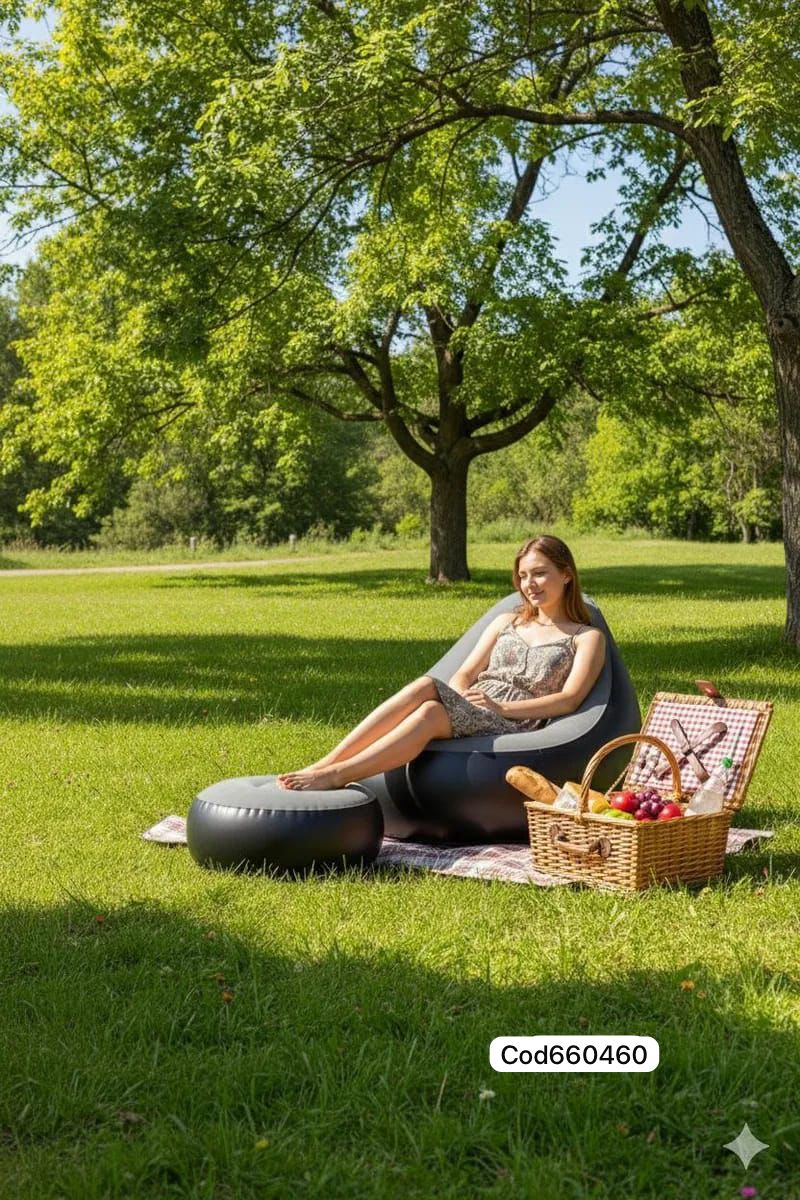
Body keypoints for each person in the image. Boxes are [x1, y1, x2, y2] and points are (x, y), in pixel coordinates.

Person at [276, 534, 606, 791]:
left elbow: (570, 699)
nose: (529, 585)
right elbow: (466, 672)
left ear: (566, 575)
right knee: (430, 702)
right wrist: (462, 696)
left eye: (539, 574)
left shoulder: (585, 637)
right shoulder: (508, 621)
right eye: (522, 576)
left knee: (430, 702)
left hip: (517, 720)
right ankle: (325, 765)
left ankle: (336, 774)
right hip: (475, 704)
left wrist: (502, 709)